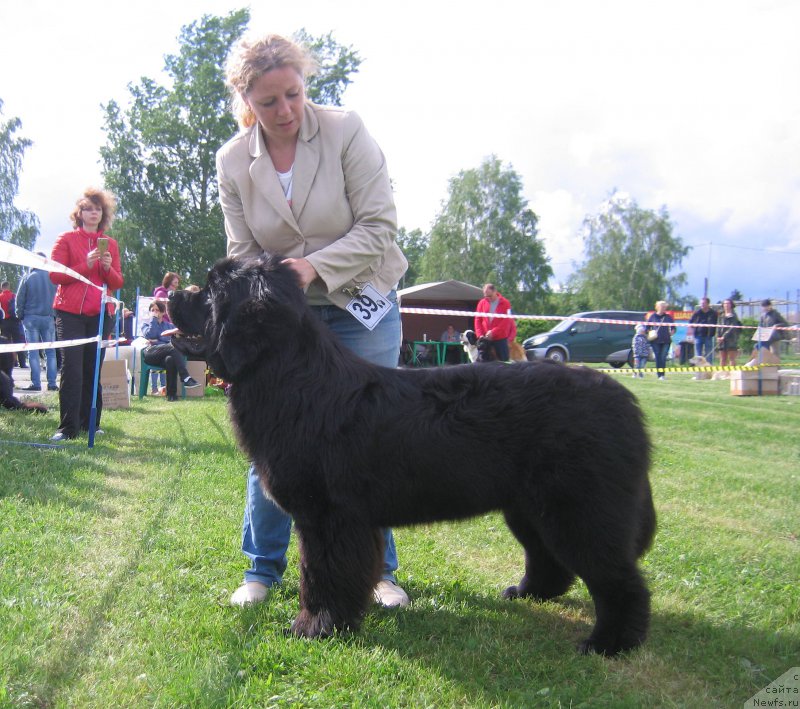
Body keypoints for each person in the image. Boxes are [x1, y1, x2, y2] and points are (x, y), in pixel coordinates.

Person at [219, 32, 409, 609]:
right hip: (283, 318)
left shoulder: (346, 129)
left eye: (294, 95)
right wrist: (277, 284)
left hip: (360, 299)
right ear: (246, 100)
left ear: (306, 88)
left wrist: (311, 268)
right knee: (273, 438)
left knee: (368, 441)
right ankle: (262, 569)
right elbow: (240, 250)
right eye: (269, 101)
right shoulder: (233, 161)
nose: (285, 111)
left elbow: (379, 226)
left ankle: (381, 574)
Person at [49, 188, 125, 441]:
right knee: (71, 369)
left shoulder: (111, 244)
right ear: (79, 213)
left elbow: (117, 281)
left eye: (98, 209)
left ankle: (91, 423)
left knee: (93, 370)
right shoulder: (66, 239)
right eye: (88, 208)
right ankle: (67, 427)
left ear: (103, 215)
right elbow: (55, 275)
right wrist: (86, 265)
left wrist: (105, 268)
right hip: (69, 313)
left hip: (100, 313)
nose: (94, 213)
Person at [140, 300, 200, 401]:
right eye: (152, 310)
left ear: (163, 312)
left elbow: (175, 339)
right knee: (173, 346)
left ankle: (172, 395)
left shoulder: (169, 326)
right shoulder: (145, 325)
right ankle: (185, 377)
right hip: (151, 353)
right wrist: (154, 320)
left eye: (157, 310)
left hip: (165, 355)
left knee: (170, 359)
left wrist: (158, 339)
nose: (155, 312)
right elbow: (151, 335)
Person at [16, 255, 58, 391]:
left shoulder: (28, 277)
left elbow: (20, 298)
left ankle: (36, 384)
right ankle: (52, 384)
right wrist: (55, 316)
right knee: (51, 352)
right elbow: (59, 297)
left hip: (30, 318)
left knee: (33, 352)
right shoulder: (53, 277)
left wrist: (20, 315)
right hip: (49, 317)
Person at [474, 284, 514, 362]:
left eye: (490, 296)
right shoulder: (481, 303)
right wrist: (480, 335)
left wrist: (494, 332)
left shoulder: (506, 303)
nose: (488, 298)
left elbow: (506, 321)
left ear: (495, 291)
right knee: (483, 362)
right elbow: (477, 319)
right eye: (486, 296)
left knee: (504, 362)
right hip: (485, 339)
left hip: (500, 338)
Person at [0, 281, 27, 368]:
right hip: (15, 321)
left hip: (4, 322)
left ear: (1, 288)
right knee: (18, 342)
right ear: (9, 287)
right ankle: (22, 363)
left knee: (5, 342)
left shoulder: (0, 297)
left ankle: (9, 362)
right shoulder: (14, 295)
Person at [646, 301, 675, 380]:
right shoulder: (652, 316)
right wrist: (650, 332)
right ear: (657, 307)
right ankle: (659, 375)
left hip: (666, 340)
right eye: (662, 306)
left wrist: (672, 331)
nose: (663, 308)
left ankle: (662, 375)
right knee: (658, 357)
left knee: (663, 357)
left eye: (665, 307)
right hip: (656, 341)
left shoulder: (668, 317)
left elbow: (673, 327)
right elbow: (647, 327)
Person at [689, 297, 718, 363]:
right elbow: (691, 322)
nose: (702, 305)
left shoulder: (713, 313)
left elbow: (715, 324)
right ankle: (698, 370)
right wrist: (694, 325)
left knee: (709, 354)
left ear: (708, 304)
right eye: (701, 303)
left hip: (709, 336)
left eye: (704, 303)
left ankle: (709, 370)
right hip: (698, 336)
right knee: (698, 355)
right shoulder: (697, 313)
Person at [716, 298, 741, 367]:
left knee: (731, 358)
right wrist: (718, 336)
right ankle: (722, 374)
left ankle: (732, 374)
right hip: (721, 340)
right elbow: (718, 326)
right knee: (722, 358)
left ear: (731, 305)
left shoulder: (733, 315)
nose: (726, 305)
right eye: (725, 304)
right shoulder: (721, 315)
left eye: (728, 304)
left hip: (731, 339)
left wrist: (724, 336)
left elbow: (732, 327)